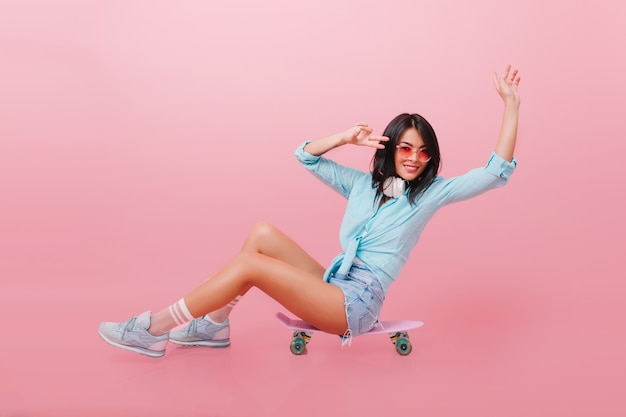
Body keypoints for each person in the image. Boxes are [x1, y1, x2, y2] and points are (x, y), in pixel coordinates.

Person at [98, 65, 521, 358]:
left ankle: (153, 330)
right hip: (336, 282)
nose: (414, 158)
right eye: (406, 148)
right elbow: (306, 156)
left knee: (249, 265)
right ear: (390, 148)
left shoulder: (430, 194)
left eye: (423, 152)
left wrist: (511, 106)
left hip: (354, 305)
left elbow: (494, 173)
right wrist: (343, 137)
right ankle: (213, 326)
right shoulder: (363, 185)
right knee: (262, 234)